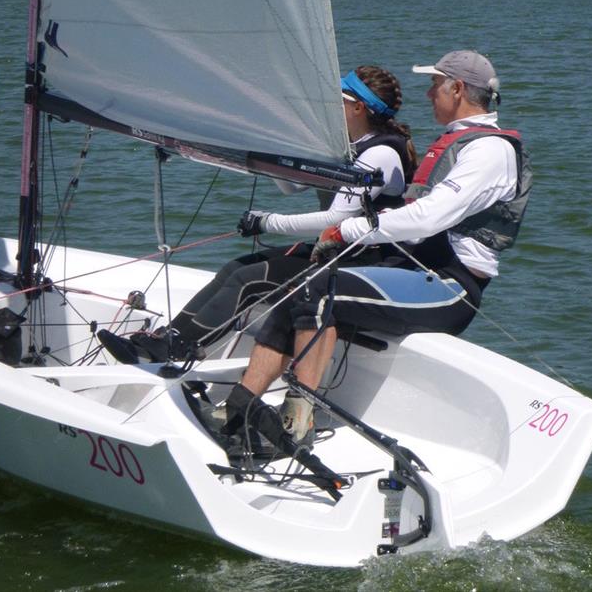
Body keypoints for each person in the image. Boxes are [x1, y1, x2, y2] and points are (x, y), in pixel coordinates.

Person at [223, 49, 532, 449]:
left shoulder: (489, 150)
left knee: (321, 293)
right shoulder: (463, 142)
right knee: (302, 287)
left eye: (435, 85)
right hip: (414, 272)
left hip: (450, 287)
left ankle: (296, 423)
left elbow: (427, 218)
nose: (428, 94)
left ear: (457, 89)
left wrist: (347, 230)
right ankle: (240, 408)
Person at [98, 65, 417, 364]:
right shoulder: (351, 147)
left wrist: (266, 222)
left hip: (364, 260)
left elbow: (336, 220)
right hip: (335, 251)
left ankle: (177, 348)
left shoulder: (380, 153)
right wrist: (273, 143)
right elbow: (292, 188)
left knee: (248, 279)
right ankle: (166, 339)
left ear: (358, 107)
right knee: (235, 266)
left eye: (338, 101)